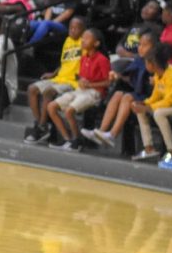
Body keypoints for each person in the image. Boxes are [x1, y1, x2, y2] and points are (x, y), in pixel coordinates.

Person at [82, 31, 157, 149]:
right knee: (117, 94)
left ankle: (113, 134)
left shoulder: (154, 62)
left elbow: (144, 86)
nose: (140, 48)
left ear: (154, 47)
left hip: (152, 96)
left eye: (145, 45)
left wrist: (121, 77)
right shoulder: (139, 59)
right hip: (139, 92)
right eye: (140, 44)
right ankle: (101, 131)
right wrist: (118, 76)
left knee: (127, 97)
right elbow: (131, 79)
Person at [45, 28, 110, 151]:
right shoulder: (83, 57)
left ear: (96, 43)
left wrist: (90, 85)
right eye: (83, 37)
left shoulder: (102, 59)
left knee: (69, 111)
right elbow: (80, 76)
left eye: (87, 38)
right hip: (80, 90)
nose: (83, 40)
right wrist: (80, 80)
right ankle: (68, 139)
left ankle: (77, 141)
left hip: (95, 93)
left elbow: (108, 82)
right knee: (51, 106)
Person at [24, 16, 85, 144]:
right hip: (59, 77)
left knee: (48, 92)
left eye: (76, 28)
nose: (72, 31)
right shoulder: (68, 40)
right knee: (32, 89)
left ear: (83, 30)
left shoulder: (85, 43)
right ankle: (42, 125)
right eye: (71, 28)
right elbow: (65, 62)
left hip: (72, 82)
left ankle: (41, 127)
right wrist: (53, 73)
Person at [131, 42, 172, 162]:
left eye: (147, 63)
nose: (145, 65)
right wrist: (143, 104)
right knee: (140, 111)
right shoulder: (158, 75)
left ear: (154, 64)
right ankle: (149, 148)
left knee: (158, 113)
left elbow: (169, 101)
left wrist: (149, 107)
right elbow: (155, 96)